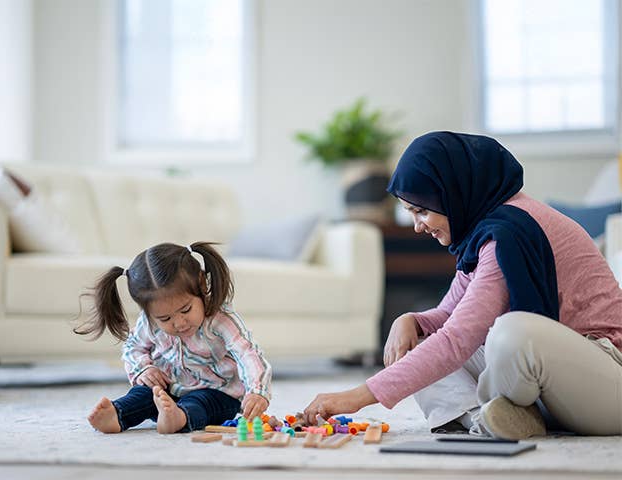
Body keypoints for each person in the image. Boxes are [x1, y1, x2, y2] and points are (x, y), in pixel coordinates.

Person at [303, 131, 622, 439]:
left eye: (422, 211)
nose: (417, 226)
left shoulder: (507, 237)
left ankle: (503, 412)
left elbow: (459, 338)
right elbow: (449, 316)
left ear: (453, 192)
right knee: (421, 343)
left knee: (513, 332)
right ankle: (489, 420)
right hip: (555, 387)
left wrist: (355, 397)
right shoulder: (483, 231)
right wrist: (411, 321)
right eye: (411, 213)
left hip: (605, 381)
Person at [75, 241, 271, 434]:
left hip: (218, 393)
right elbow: (133, 347)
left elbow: (247, 353)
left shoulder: (220, 320)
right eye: (165, 318)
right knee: (143, 393)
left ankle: (180, 417)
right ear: (149, 312)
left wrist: (257, 391)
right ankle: (117, 414)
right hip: (168, 390)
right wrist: (144, 368)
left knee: (202, 403)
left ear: (202, 285)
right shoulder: (149, 323)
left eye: (186, 310)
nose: (179, 323)